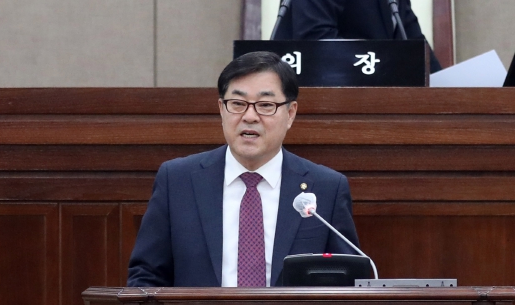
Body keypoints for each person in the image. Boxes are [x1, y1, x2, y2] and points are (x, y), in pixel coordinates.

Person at [127, 51, 360, 287]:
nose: (250, 117)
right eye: (237, 104)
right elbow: (147, 276)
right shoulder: (178, 181)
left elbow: (348, 282)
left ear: (290, 113)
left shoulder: (326, 188)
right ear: (221, 109)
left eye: (266, 105)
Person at [273, 0, 442, 72]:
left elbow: (417, 49)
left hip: (376, 102)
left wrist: (445, 87)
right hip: (318, 102)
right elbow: (317, 43)